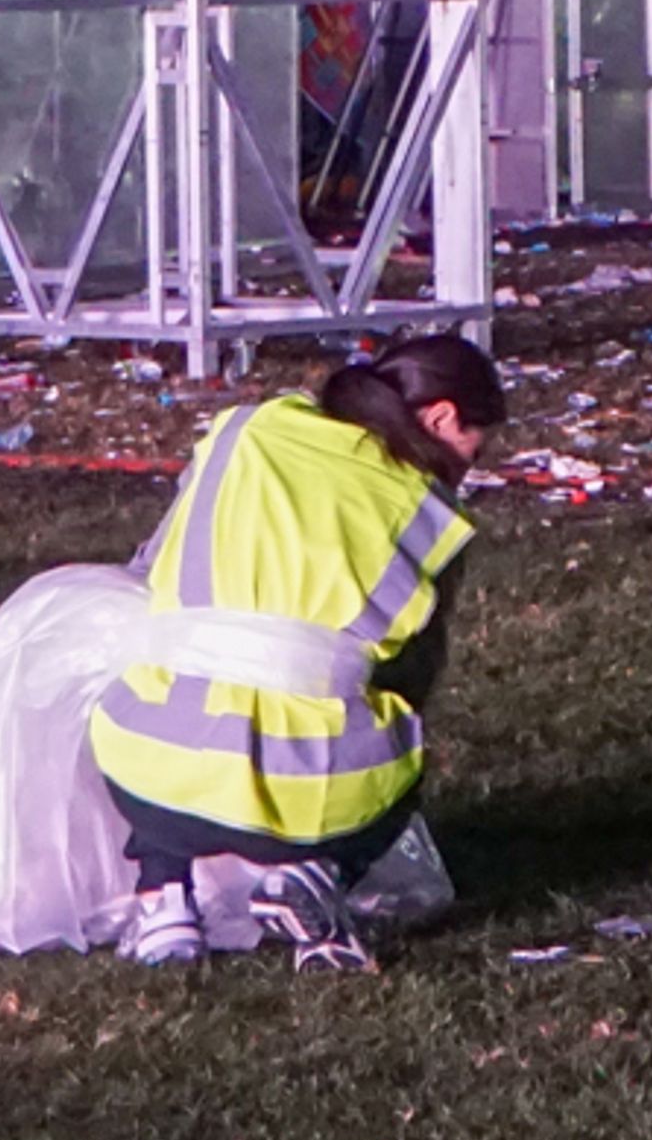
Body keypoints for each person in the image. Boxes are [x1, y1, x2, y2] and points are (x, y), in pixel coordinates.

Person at [91, 333, 505, 970]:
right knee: (403, 745)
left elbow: (150, 568)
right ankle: (312, 869)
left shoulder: (247, 432)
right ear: (442, 418)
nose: (470, 467)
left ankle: (163, 899)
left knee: (167, 686)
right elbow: (408, 678)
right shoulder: (425, 511)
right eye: (474, 448)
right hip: (313, 787)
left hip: (147, 762)